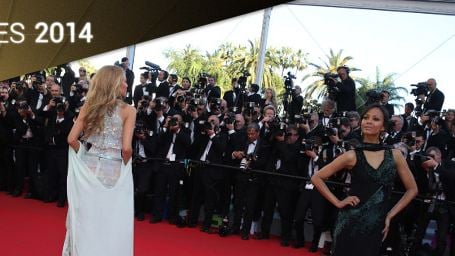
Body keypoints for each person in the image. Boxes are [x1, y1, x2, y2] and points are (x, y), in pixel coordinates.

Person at [311, 104, 417, 256]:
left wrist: (389, 215)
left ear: (383, 127)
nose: (368, 121)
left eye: (375, 119)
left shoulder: (395, 155)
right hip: (349, 221)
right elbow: (316, 177)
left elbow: (412, 189)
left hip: (375, 224)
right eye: (366, 118)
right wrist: (338, 202)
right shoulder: (352, 155)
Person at [63, 65, 136, 256]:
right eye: (124, 80)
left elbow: (71, 139)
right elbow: (126, 149)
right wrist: (125, 165)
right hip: (113, 171)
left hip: (88, 169)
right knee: (110, 219)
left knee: (87, 218)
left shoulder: (89, 106)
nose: (127, 85)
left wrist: (85, 155)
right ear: (114, 83)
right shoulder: (129, 110)